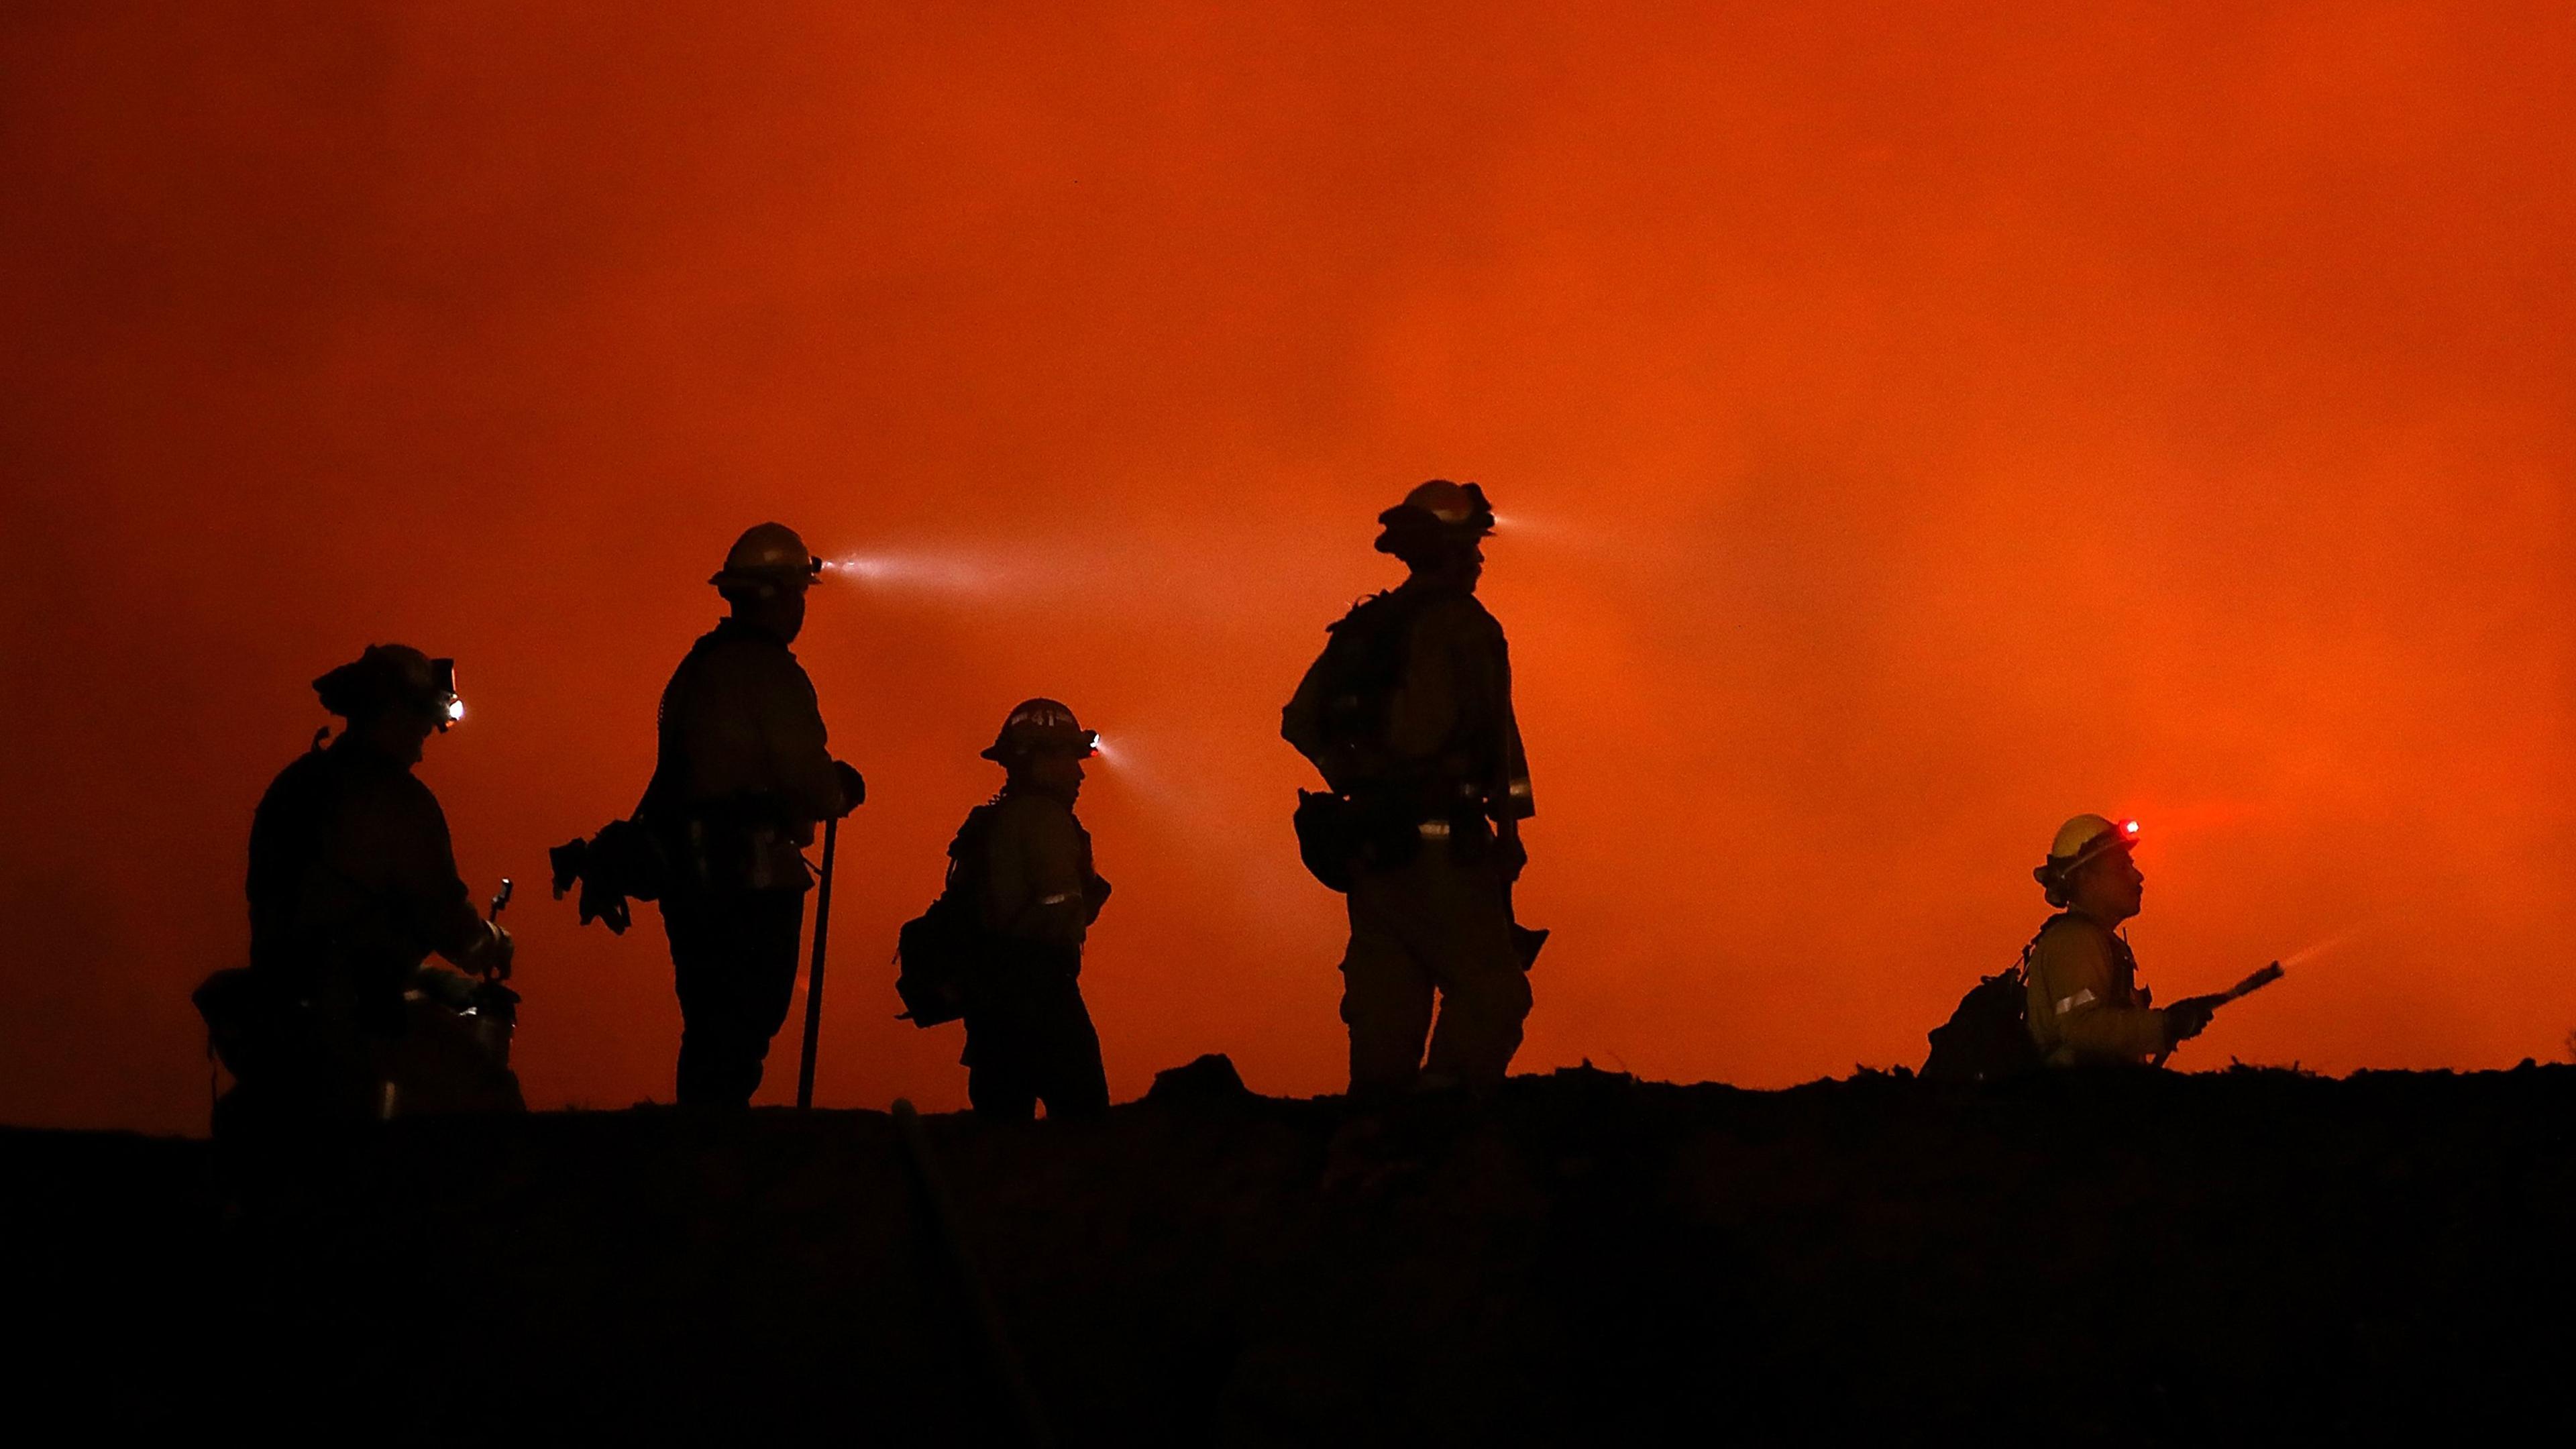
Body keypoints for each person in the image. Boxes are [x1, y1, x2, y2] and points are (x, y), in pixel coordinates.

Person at [1283, 480, 1537, 1102]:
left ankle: (1375, 1123)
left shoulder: (1363, 627)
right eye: (1473, 547)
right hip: (1442, 843)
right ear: (1449, 550)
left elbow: (1299, 721)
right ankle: (1442, 1120)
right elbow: (1496, 737)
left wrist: (1354, 781)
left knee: (1386, 988)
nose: (1479, 560)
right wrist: (1510, 832)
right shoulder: (1465, 625)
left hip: (1372, 844)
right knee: (1491, 987)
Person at [213, 644, 517, 1129]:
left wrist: (432, 981)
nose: (428, 732)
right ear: (393, 712)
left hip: (282, 1000)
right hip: (353, 1019)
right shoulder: (396, 799)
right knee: (488, 1094)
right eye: (422, 716)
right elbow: (447, 921)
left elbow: (338, 918)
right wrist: (492, 943)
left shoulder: (297, 782)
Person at [642, 523, 863, 1108]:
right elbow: (805, 776)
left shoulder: (699, 669)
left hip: (691, 875)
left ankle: (700, 1147)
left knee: (709, 1023)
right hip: (749, 875)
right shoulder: (770, 673)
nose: (801, 608)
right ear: (776, 595)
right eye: (798, 593)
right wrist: (839, 789)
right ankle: (718, 1154)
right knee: (746, 1018)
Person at [949, 698, 1112, 1121]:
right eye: (1068, 759)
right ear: (1036, 760)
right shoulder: (1044, 819)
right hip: (1040, 993)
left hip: (991, 1001)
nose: (1079, 773)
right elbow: (1059, 911)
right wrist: (1085, 900)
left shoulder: (998, 820)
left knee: (1000, 1135)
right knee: (1085, 1124)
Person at [2023, 814, 2219, 1067]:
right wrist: (2163, 1025)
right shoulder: (2075, 943)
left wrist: (2170, 1023)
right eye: (2121, 867)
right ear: (2085, 878)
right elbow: (2079, 1027)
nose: (2138, 877)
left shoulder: (2091, 941)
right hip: (2076, 1103)